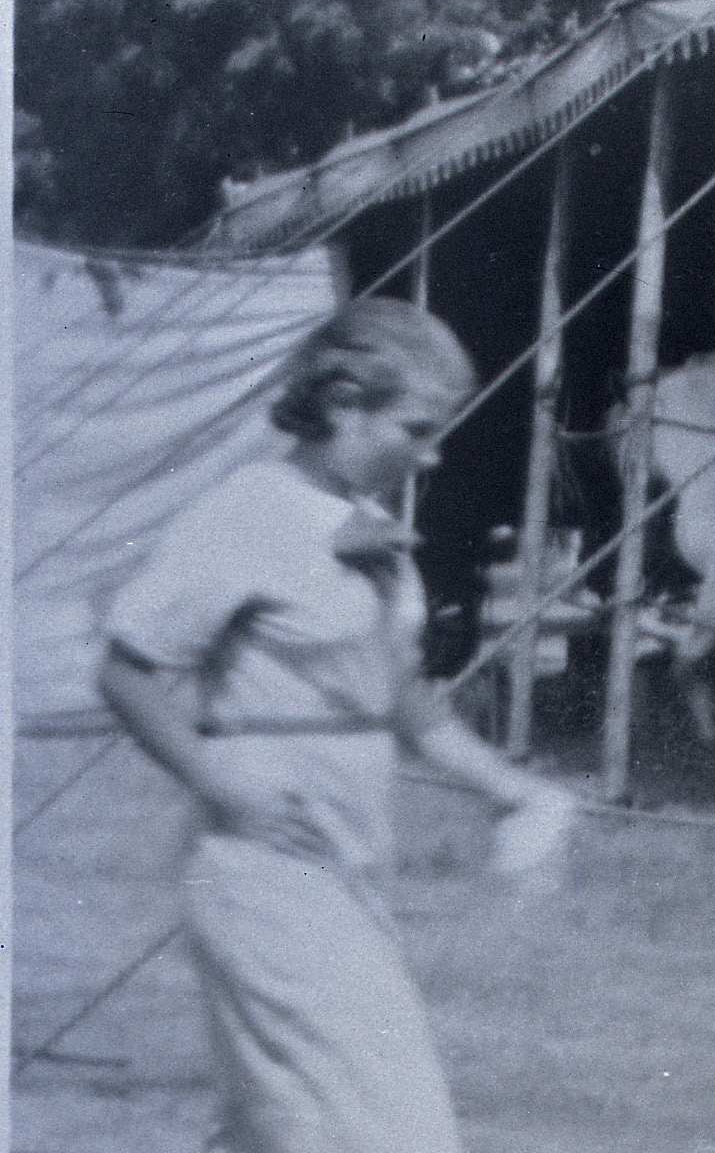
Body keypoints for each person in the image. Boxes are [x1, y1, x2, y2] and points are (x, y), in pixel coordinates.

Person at [95, 298, 577, 1153]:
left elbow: (399, 701)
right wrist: (216, 779)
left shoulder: (367, 531)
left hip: (352, 870)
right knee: (395, 1129)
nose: (430, 453)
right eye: (416, 427)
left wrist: (508, 788)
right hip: (265, 872)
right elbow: (126, 670)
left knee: (283, 1126)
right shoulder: (247, 511)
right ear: (345, 405)